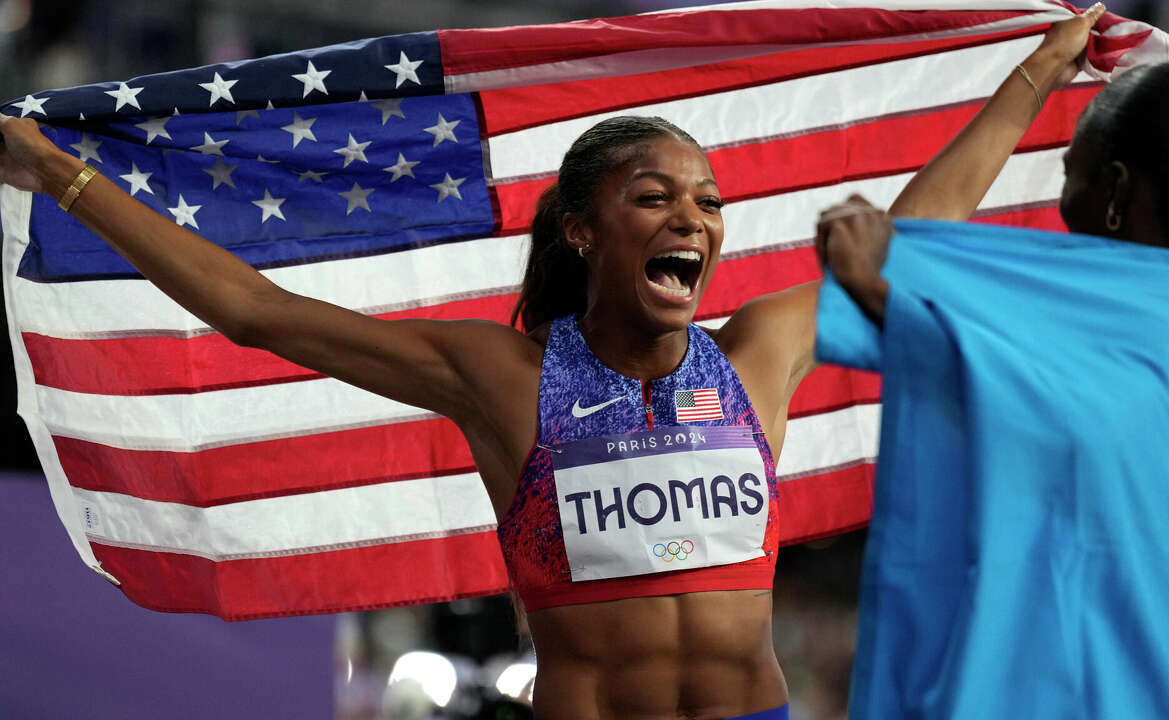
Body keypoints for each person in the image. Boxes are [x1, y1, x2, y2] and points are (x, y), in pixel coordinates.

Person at [0, 8, 1103, 718]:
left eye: (707, 203)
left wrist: (1036, 72)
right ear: (581, 230)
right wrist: (64, 180)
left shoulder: (757, 350)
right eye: (656, 198)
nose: (695, 220)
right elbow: (256, 311)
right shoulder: (502, 378)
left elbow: (915, 233)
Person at [817, 28, 1169, 720]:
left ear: (1115, 191)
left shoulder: (1074, 315)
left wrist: (881, 284)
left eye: (1071, 175)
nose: (1062, 204)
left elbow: (1011, 383)